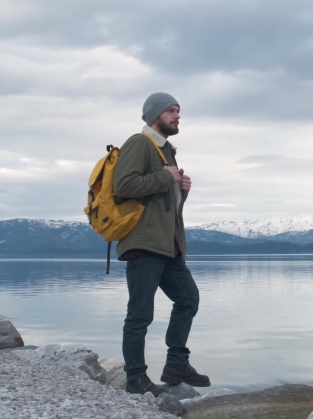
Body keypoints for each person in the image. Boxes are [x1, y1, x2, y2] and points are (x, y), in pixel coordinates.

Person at [113, 92, 210, 396]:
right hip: (145, 245)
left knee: (188, 299)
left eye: (179, 111)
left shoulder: (166, 151)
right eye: (171, 110)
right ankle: (135, 378)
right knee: (140, 314)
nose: (177, 116)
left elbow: (165, 206)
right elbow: (123, 186)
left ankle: (176, 364)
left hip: (169, 247)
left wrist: (181, 190)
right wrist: (167, 178)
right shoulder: (139, 143)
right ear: (155, 115)